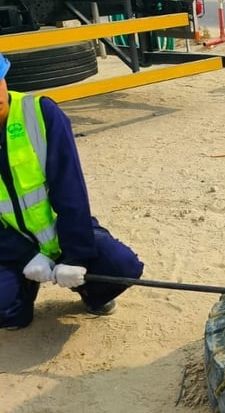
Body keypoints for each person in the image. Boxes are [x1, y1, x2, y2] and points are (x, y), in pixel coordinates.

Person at [0, 52, 144, 330]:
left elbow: (70, 189)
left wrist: (76, 256)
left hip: (62, 233)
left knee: (121, 266)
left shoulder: (39, 113)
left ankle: (92, 292)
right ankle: (19, 295)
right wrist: (24, 255)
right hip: (12, 243)